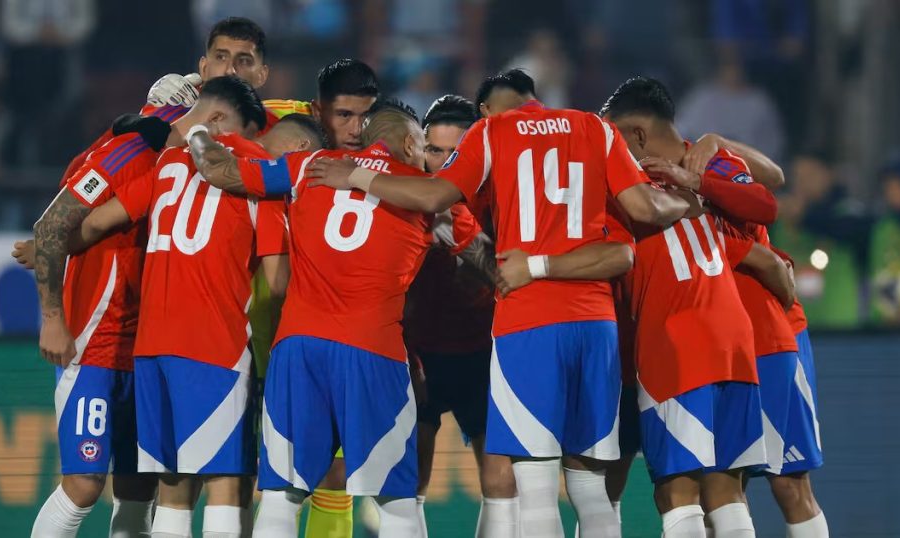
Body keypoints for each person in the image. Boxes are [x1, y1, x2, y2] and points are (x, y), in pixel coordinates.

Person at [305, 69, 692, 538]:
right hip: (595, 322)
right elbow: (646, 212)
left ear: (486, 110)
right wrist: (690, 198)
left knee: (534, 485)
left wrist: (357, 174)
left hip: (527, 320)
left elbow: (434, 194)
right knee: (591, 487)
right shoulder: (596, 128)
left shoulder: (492, 133)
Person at [69, 81, 323, 538]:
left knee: (173, 487)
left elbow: (93, 222)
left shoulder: (168, 162)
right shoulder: (261, 176)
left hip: (150, 349)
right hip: (213, 345)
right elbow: (278, 281)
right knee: (225, 484)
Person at [185, 99, 431, 537]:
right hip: (374, 349)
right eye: (425, 144)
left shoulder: (310, 163)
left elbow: (218, 170)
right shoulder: (428, 190)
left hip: (298, 347)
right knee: (396, 503)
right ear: (409, 142)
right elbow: (481, 250)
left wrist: (196, 131)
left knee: (282, 500)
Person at [600, 76, 804, 538]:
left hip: (677, 342)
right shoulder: (703, 184)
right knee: (726, 489)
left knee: (677, 492)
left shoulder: (629, 190)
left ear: (634, 135)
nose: (606, 150)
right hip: (735, 342)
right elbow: (766, 198)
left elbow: (767, 193)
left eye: (610, 137)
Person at [407, 94, 517, 536]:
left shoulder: (503, 200)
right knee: (409, 480)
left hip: (483, 354)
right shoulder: (405, 196)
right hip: (419, 356)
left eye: (456, 153)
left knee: (501, 480)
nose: (443, 162)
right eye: (434, 150)